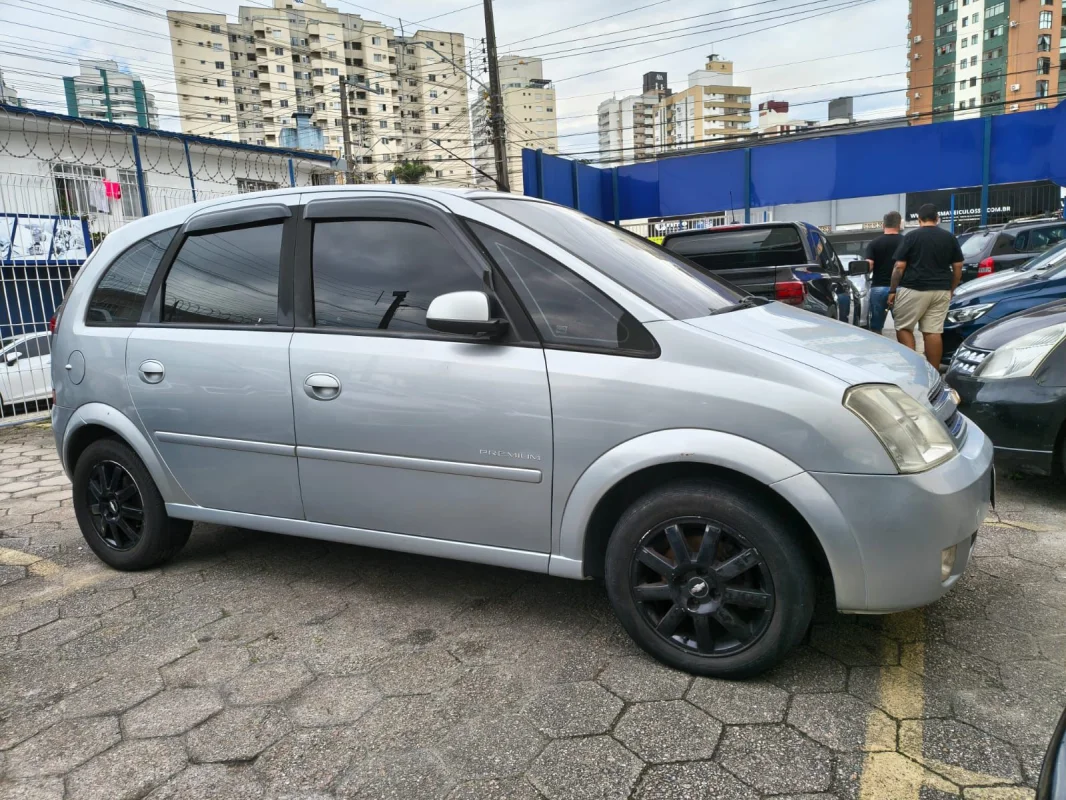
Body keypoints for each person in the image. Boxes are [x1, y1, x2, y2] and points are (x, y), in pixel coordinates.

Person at [888, 203, 963, 367]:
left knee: (904, 327)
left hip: (914, 288)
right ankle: (934, 372)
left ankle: (913, 368)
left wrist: (893, 290)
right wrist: (951, 288)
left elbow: (899, 266)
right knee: (933, 332)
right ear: (937, 218)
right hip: (941, 290)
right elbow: (958, 268)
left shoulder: (911, 236)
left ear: (919, 219)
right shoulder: (949, 237)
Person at [863, 211, 903, 335]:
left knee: (876, 327)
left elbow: (869, 265)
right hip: (901, 289)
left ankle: (877, 350)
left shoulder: (874, 243)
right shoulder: (906, 242)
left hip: (878, 288)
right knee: (903, 327)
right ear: (899, 225)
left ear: (883, 225)